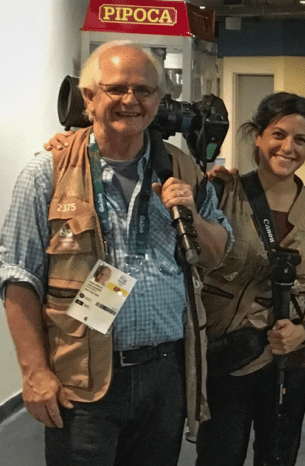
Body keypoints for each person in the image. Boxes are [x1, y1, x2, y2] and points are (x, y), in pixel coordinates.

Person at [1, 40, 231, 465]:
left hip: (165, 374)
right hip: (83, 377)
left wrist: (193, 215)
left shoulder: (181, 168)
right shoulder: (46, 173)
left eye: (144, 91)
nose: (131, 101)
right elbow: (18, 277)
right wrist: (33, 373)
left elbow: (217, 253)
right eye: (116, 89)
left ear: (159, 101)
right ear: (89, 97)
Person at [194, 92, 305, 466]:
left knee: (278, 457)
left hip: (289, 363)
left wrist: (303, 330)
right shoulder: (223, 194)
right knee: (219, 456)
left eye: (301, 140)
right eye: (278, 134)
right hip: (227, 360)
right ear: (257, 136)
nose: (288, 147)